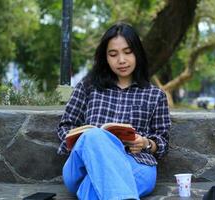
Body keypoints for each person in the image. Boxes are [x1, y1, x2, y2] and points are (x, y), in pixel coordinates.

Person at [57, 22, 171, 200]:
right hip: (84, 166)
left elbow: (162, 141)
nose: (121, 60)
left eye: (127, 52)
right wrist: (86, 142)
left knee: (94, 188)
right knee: (94, 136)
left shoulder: (154, 95)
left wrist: (145, 143)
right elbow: (65, 126)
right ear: (105, 58)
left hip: (136, 164)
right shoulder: (88, 87)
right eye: (113, 54)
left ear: (138, 54)